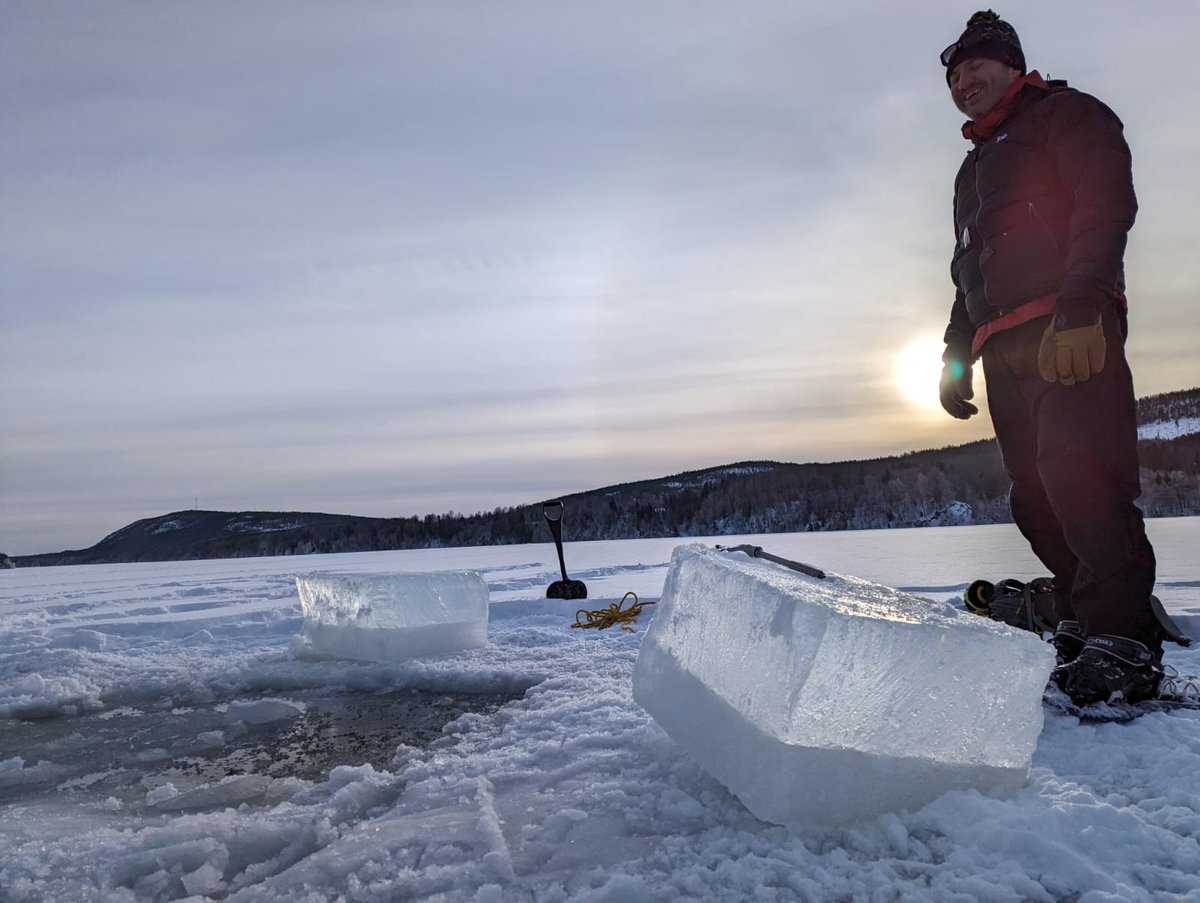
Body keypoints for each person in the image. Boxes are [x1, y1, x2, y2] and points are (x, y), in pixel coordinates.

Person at [937, 10, 1173, 706]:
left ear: (1011, 64)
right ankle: (1079, 620)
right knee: (1034, 497)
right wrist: (955, 352)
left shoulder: (1067, 116)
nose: (963, 82)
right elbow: (967, 267)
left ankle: (1124, 640)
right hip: (999, 344)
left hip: (1064, 327)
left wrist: (1082, 305)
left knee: (1083, 478)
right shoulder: (972, 169)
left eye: (975, 66)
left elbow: (1104, 206)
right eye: (953, 76)